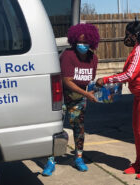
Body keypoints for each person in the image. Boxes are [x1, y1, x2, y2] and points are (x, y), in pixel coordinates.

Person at [96, 21, 140, 180]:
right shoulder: (137, 50)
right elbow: (130, 73)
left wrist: (107, 79)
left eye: (128, 34)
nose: (126, 37)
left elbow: (129, 75)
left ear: (136, 35)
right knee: (137, 130)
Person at [42, 23, 100, 176]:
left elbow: (88, 81)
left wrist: (99, 91)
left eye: (86, 42)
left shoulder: (93, 59)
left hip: (79, 99)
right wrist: (87, 94)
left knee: (79, 129)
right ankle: (51, 160)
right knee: (56, 130)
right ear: (74, 41)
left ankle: (79, 158)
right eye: (80, 42)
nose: (83, 45)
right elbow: (67, 81)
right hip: (61, 98)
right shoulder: (68, 56)